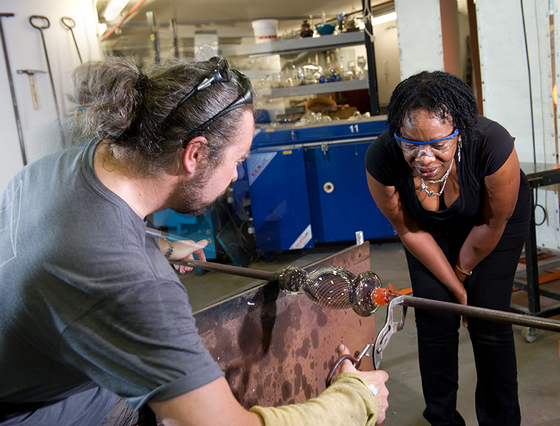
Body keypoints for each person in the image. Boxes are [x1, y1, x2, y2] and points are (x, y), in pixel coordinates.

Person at [0, 56, 389, 426]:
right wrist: (356, 401)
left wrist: (159, 246)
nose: (237, 176)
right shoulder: (138, 287)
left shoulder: (66, 162)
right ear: (196, 154)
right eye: (238, 161)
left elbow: (85, 235)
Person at [365, 71, 530, 426]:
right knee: (435, 317)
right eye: (411, 145)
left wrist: (463, 277)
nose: (424, 158)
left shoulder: (492, 144)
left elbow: (492, 223)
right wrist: (454, 291)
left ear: (460, 132)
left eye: (438, 145)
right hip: (424, 229)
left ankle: (500, 421)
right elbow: (407, 227)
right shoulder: (382, 157)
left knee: (488, 319)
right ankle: (441, 420)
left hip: (491, 221)